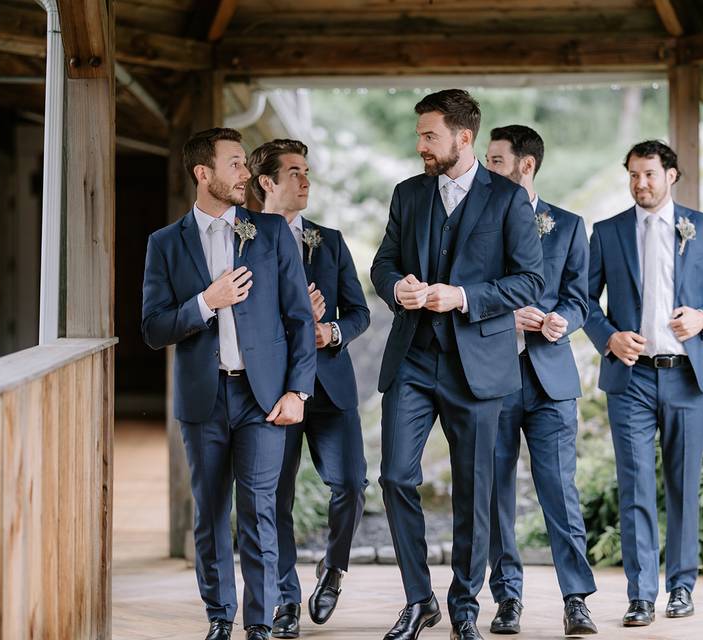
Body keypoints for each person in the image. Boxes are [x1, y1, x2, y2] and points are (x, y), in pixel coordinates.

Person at [370, 89, 544, 640]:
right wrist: (398, 286)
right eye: (420, 135)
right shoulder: (408, 194)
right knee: (395, 475)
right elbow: (383, 263)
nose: (420, 144)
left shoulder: (509, 200)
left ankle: (464, 608)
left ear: (463, 138)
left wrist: (463, 296)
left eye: (429, 135)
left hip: (479, 364)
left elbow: (530, 282)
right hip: (414, 359)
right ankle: (419, 600)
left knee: (474, 491)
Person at [141, 128, 316, 640]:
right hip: (203, 396)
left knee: (259, 511)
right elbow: (153, 328)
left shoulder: (271, 232)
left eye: (244, 164)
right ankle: (220, 618)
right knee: (211, 511)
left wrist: (297, 390)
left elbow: (299, 319)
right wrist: (205, 303)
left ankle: (259, 622)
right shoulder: (164, 244)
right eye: (235, 164)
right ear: (204, 173)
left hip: (263, 398)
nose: (245, 174)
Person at [584, 140, 703, 627]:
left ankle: (682, 587)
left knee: (683, 486)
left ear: (671, 175)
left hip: (687, 376)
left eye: (648, 174)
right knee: (636, 487)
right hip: (633, 379)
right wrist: (609, 337)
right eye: (632, 175)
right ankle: (642, 594)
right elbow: (584, 300)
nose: (639, 183)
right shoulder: (607, 233)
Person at [246, 139, 370, 638]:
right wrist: (294, 315)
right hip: (273, 389)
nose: (305, 181)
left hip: (330, 385)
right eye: (294, 173)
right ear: (266, 183)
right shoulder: (241, 237)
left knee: (352, 485)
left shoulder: (330, 241)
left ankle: (333, 569)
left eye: (307, 172)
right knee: (275, 499)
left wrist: (328, 330)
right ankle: (285, 601)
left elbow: (359, 313)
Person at [483, 125, 597, 636]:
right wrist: (508, 320)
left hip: (551, 378)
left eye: (496, 161)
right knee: (495, 494)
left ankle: (577, 599)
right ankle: (508, 600)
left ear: (525, 166)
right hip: (491, 376)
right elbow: (472, 294)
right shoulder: (476, 224)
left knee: (559, 491)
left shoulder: (569, 225)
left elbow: (580, 299)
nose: (488, 170)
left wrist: (563, 322)